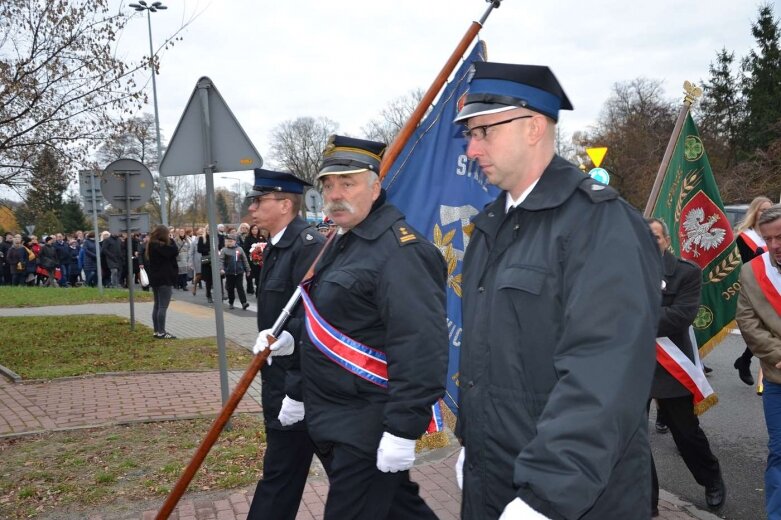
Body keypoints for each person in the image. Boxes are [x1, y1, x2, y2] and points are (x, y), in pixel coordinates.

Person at [453, 62, 662, 520]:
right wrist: (473, 444)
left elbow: (604, 374)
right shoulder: (490, 227)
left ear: (532, 127)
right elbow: (487, 361)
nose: (471, 148)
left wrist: (547, 493)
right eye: (469, 134)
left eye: (483, 131)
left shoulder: (600, 223)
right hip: (496, 477)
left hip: (575, 496)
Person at [287, 135, 448, 519]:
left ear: (375, 188)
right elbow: (327, 320)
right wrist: (295, 382)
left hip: (369, 424)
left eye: (348, 183)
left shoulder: (400, 251)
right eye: (328, 185)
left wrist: (403, 429)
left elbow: (420, 344)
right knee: (399, 510)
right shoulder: (343, 242)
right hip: (335, 418)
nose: (334, 193)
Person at [245, 168, 325, 520]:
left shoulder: (308, 249)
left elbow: (316, 320)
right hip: (283, 384)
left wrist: (297, 391)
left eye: (259, 200)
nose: (251, 208)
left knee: (359, 482)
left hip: (307, 388)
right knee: (282, 476)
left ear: (284, 204)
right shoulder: (278, 248)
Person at [646, 218, 725, 514]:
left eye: (654, 237)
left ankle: (711, 478)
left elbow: (680, 316)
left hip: (670, 366)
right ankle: (647, 500)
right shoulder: (624, 272)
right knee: (633, 439)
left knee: (686, 433)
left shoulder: (686, 273)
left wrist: (633, 316)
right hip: (633, 367)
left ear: (667, 240)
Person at [736, 203, 781, 519]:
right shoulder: (752, 272)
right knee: (780, 453)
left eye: (780, 236)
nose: (775, 244)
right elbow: (748, 323)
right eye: (769, 239)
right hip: (778, 378)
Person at [734, 195, 773, 390]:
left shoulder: (774, 234)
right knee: (761, 327)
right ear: (755, 212)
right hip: (753, 286)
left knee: (769, 327)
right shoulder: (744, 236)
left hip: (773, 284)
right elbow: (742, 264)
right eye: (762, 209)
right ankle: (748, 364)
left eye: (769, 209)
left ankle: (745, 361)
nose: (765, 213)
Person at [144, 225, 178, 339]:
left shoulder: (151, 244)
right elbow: (174, 251)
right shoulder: (161, 246)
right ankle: (161, 332)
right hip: (164, 278)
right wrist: (172, 239)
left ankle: (156, 330)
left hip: (155, 278)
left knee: (157, 305)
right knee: (163, 306)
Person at [219, 233, 251, 310]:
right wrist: (221, 269)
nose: (229, 243)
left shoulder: (240, 249)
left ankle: (244, 303)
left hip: (239, 272)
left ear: (235, 241)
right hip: (229, 273)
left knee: (240, 287)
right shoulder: (224, 250)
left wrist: (248, 269)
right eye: (227, 241)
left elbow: (244, 260)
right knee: (231, 288)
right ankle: (231, 302)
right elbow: (221, 260)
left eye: (231, 241)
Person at [197, 225, 224, 304]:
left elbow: (222, 247)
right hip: (206, 259)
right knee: (208, 279)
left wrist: (218, 251)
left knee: (219, 278)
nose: (209, 230)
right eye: (208, 229)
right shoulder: (202, 238)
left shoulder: (219, 237)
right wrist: (210, 251)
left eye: (211, 229)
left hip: (217, 259)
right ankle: (208, 295)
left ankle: (221, 294)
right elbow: (199, 249)